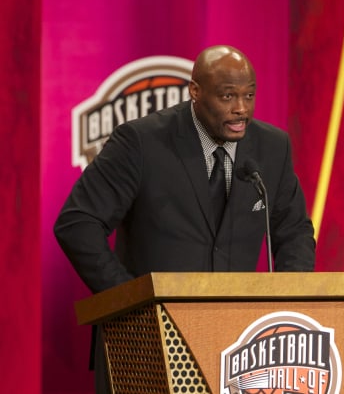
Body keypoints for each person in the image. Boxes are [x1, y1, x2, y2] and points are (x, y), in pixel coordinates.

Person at [54, 45, 316, 393]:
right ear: (195, 92)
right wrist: (132, 301)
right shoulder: (141, 142)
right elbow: (78, 222)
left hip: (238, 348)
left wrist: (283, 310)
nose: (241, 109)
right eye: (227, 96)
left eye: (249, 95)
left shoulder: (272, 148)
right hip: (144, 347)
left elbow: (294, 230)